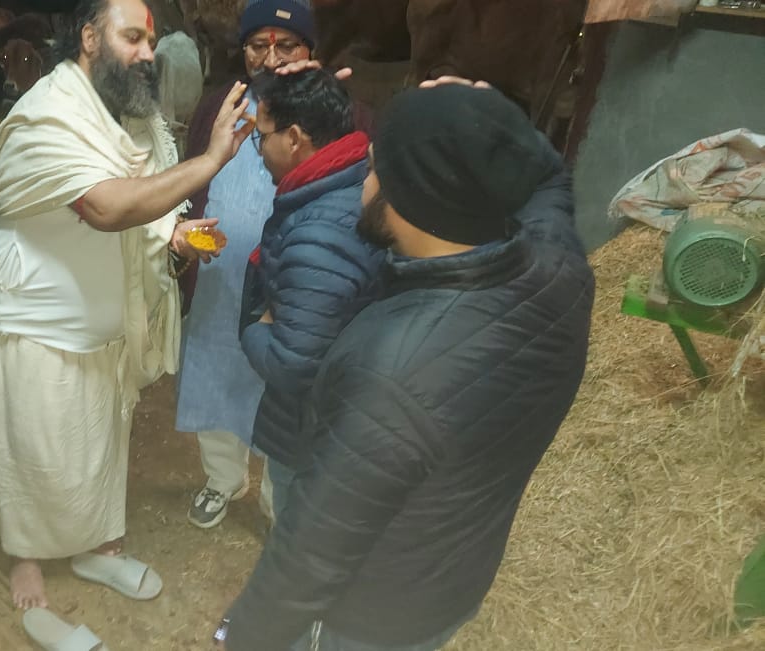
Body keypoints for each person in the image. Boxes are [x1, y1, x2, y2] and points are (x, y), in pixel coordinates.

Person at [216, 78, 595, 651]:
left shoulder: (389, 369)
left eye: (372, 169)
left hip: (370, 619)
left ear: (409, 196)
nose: (361, 183)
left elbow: (311, 552)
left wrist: (245, 638)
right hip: (454, 582)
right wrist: (478, 114)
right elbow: (548, 180)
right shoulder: (560, 271)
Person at [0, 0, 252, 637]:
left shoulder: (130, 116)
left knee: (96, 441)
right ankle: (26, 559)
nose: (149, 53)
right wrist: (209, 161)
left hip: (103, 314)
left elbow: (145, 207)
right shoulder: (46, 115)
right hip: (36, 318)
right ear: (89, 38)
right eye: (133, 38)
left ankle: (94, 546)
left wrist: (174, 236)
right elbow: (105, 206)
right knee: (35, 446)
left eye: (151, 40)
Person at [177, 0, 370, 530]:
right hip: (221, 276)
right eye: (258, 45)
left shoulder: (336, 107)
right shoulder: (218, 105)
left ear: (310, 49)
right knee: (216, 367)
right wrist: (189, 232)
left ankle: (275, 495)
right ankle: (223, 478)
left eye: (286, 45)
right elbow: (193, 176)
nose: (271, 57)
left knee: (285, 384)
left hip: (299, 274)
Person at [237, 67, 386, 519]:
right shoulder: (350, 178)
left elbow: (293, 364)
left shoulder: (319, 232)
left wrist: (254, 326)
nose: (259, 149)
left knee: (297, 528)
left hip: (314, 429)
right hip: (342, 415)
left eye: (261, 136)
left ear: (294, 138)